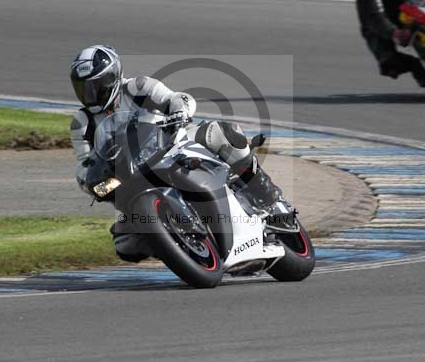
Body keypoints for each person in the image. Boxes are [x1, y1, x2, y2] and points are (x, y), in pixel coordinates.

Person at [69, 45, 281, 262]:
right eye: (84, 88)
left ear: (113, 77)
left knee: (222, 133)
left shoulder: (137, 87)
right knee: (125, 244)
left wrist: (179, 111)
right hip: (129, 177)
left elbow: (177, 98)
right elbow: (84, 163)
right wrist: (89, 181)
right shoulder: (82, 123)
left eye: (96, 86)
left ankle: (263, 190)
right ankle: (173, 243)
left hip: (170, 144)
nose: (91, 95)